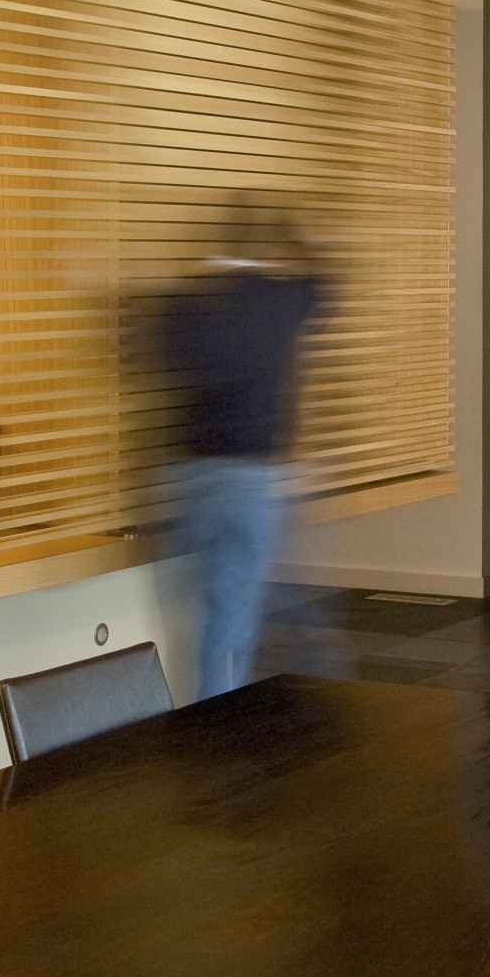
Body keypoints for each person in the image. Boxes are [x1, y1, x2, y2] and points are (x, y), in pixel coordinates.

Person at [154, 203, 322, 698]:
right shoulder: (281, 301)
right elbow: (324, 283)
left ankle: (195, 712)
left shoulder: (186, 303)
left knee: (189, 614)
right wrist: (293, 232)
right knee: (233, 619)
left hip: (185, 477)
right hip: (251, 480)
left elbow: (165, 352)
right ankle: (216, 724)